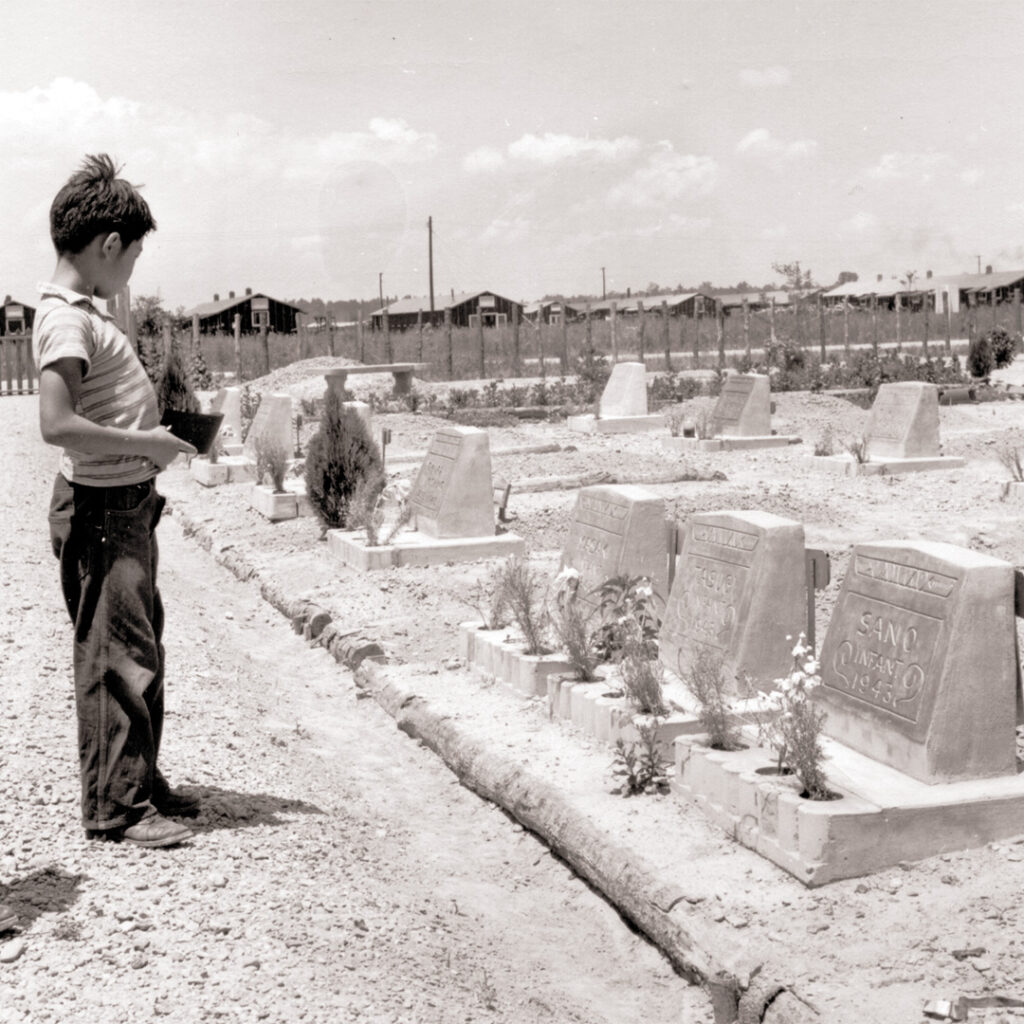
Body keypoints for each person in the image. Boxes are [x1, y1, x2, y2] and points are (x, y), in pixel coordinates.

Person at [34, 154, 199, 848]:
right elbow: (56, 423)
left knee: (140, 646)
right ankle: (113, 807)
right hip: (102, 513)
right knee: (114, 658)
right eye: (131, 256)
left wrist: (155, 443)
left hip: (124, 505)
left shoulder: (85, 313)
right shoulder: (64, 321)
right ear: (108, 246)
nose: (131, 270)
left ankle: (137, 776)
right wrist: (147, 447)